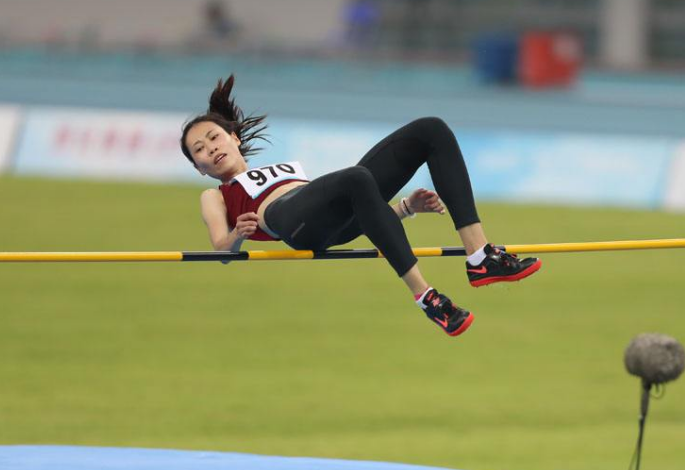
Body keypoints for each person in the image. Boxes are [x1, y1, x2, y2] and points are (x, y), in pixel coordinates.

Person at [180, 75, 542, 337]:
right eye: (199, 150)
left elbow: (349, 218)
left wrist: (405, 208)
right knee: (355, 177)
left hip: (324, 216)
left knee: (430, 130)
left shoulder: (282, 167)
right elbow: (220, 251)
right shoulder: (214, 196)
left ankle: (480, 258)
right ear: (199, 168)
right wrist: (236, 236)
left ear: (234, 138)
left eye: (213, 137)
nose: (210, 147)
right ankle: (427, 297)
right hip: (285, 221)